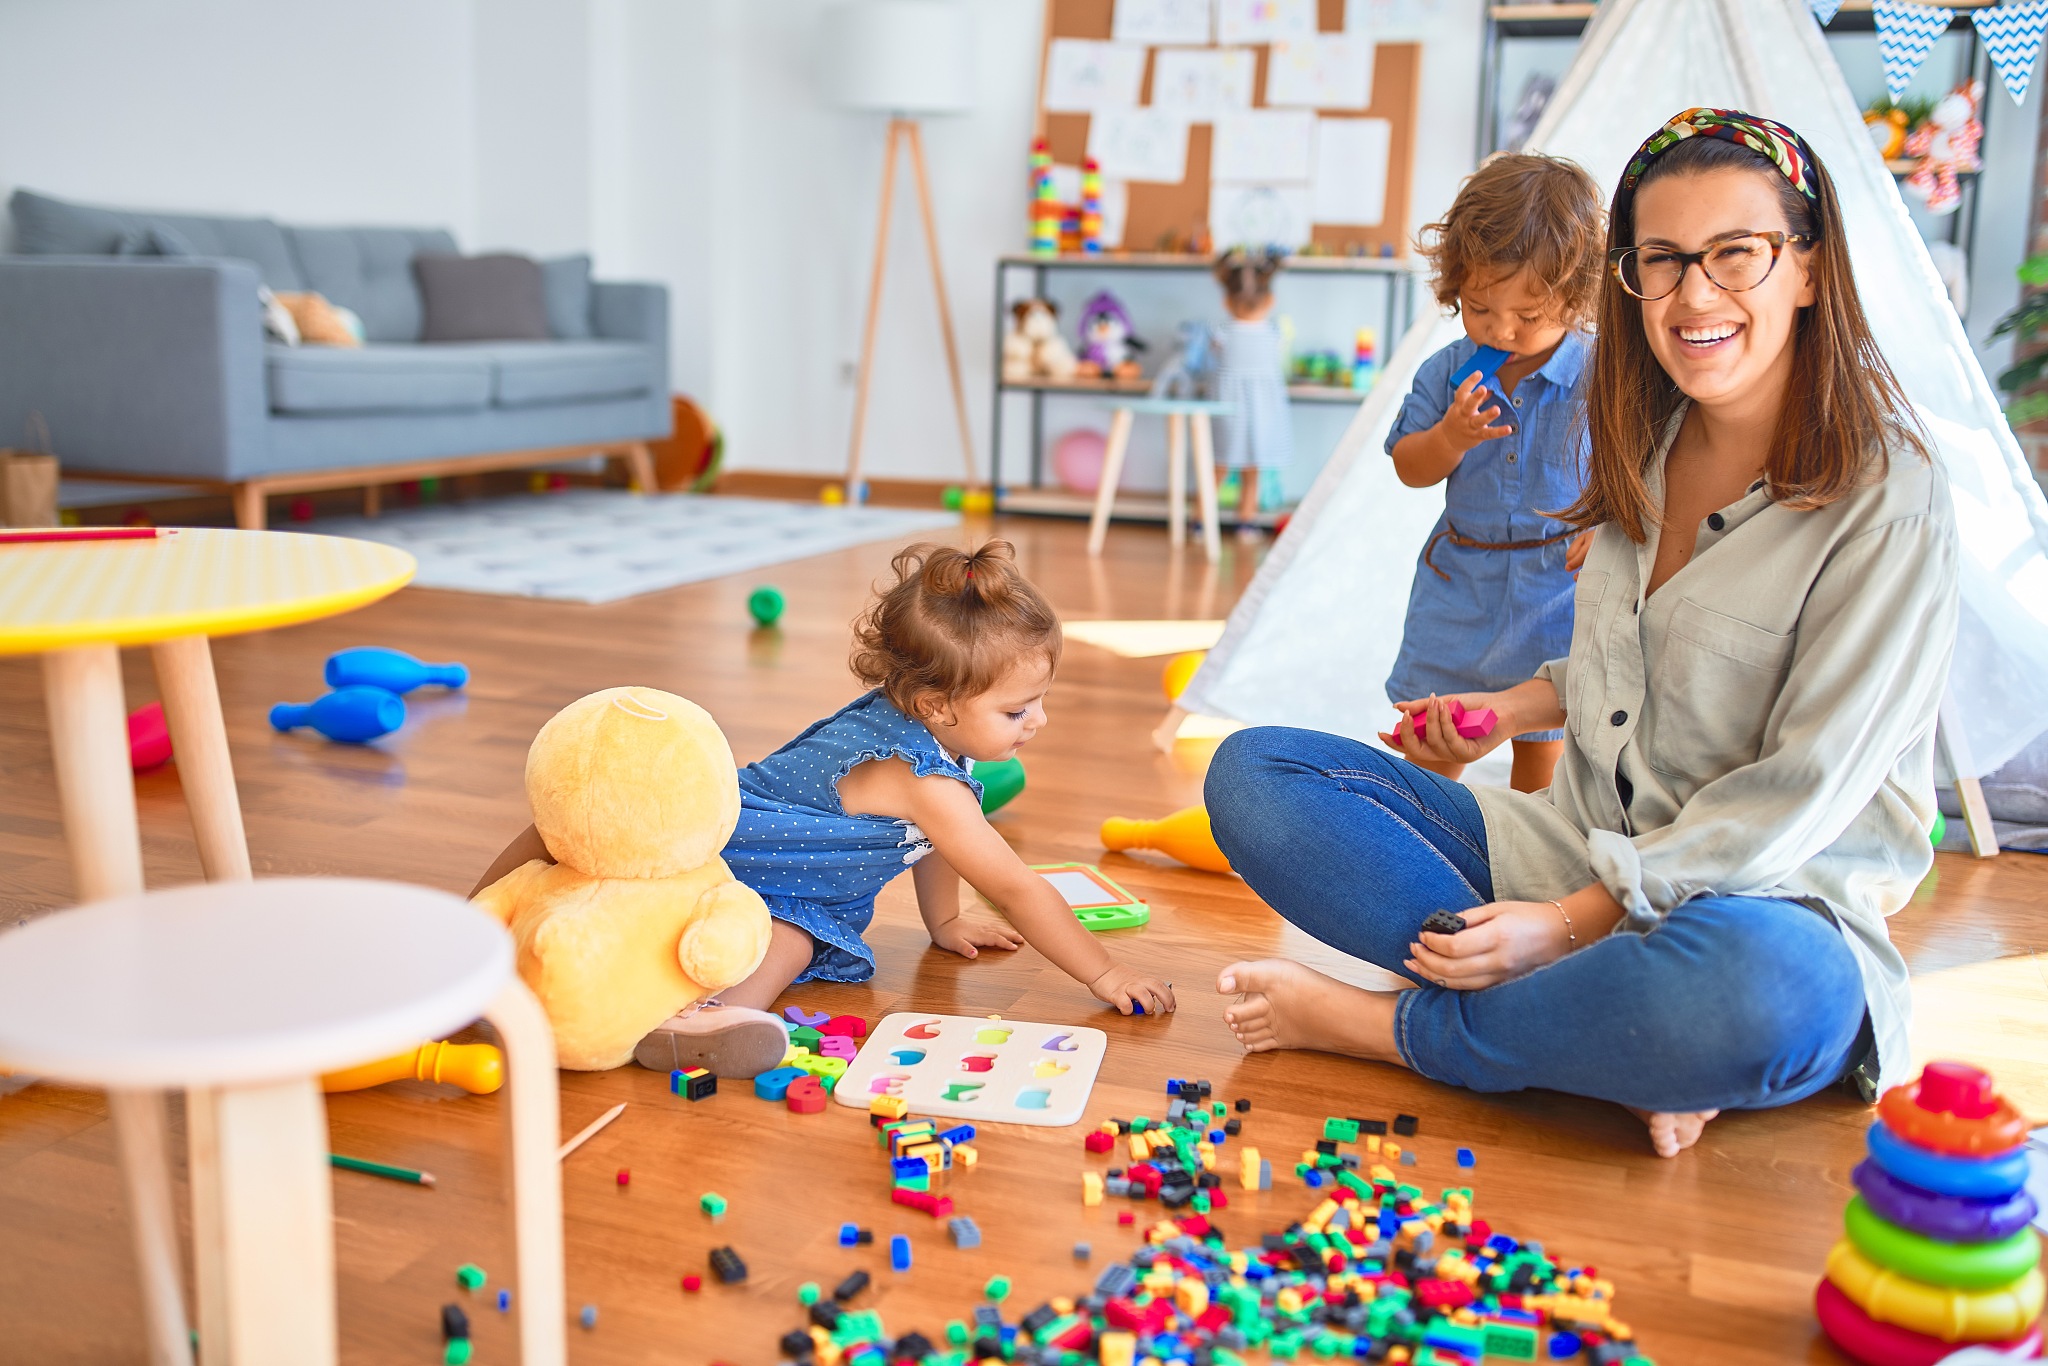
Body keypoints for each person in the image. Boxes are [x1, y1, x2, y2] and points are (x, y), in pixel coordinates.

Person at [1205, 109, 1957, 1157]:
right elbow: (1625, 663)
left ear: (1808, 267)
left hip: (1766, 901)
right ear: (1628, 280)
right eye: (1660, 261)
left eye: (1734, 254)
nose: (1694, 293)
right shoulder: (1634, 439)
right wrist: (1496, 715)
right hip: (1568, 848)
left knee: (1755, 992)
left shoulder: (1889, 494)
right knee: (1254, 775)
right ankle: (1606, 1037)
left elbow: (1803, 788)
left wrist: (1565, 923)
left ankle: (1399, 1029)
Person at [472, 541, 1176, 1076]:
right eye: (1019, 709)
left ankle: (707, 1020)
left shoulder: (935, 743)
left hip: (799, 891)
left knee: (793, 938)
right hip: (740, 837)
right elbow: (1017, 888)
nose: (1039, 722)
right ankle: (470, 916)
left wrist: (948, 920)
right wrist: (1105, 974)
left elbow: (937, 843)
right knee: (590, 838)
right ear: (936, 705)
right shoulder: (925, 781)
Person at [1385, 153, 1607, 792]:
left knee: (1544, 756)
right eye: (1481, 308)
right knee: (1431, 746)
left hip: (1556, 592)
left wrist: (1611, 518)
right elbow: (1409, 468)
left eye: (1529, 316)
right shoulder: (1445, 373)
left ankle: (1528, 873)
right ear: (1458, 286)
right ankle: (1418, 847)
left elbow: (1641, 467)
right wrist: (1449, 437)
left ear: (1578, 295)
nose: (1502, 329)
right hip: (1460, 585)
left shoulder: (1603, 377)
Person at [1211, 247, 1292, 538]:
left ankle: (1201, 519)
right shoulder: (1274, 335)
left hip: (1229, 411)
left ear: (1226, 301)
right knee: (1252, 467)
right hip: (1262, 413)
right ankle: (1246, 520)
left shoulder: (1222, 334)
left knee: (1218, 465)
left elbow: (1212, 356)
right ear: (1270, 300)